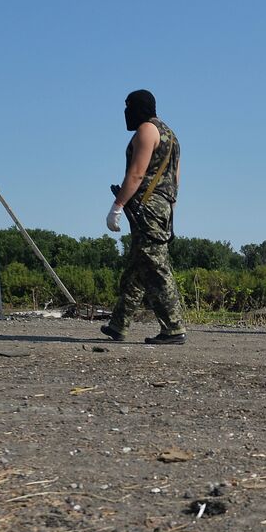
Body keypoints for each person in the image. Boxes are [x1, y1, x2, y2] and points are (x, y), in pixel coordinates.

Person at [104, 90, 186, 345]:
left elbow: (137, 174)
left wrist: (117, 205)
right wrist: (168, 208)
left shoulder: (146, 131)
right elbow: (175, 179)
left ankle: (174, 328)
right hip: (161, 207)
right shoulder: (170, 135)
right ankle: (119, 324)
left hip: (146, 207)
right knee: (138, 267)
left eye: (129, 107)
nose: (126, 113)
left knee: (155, 266)